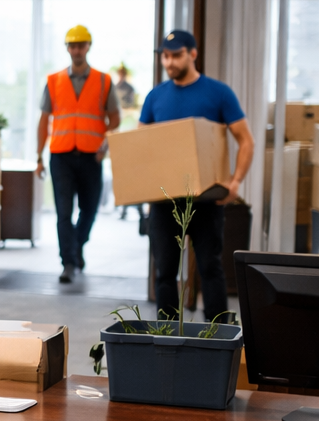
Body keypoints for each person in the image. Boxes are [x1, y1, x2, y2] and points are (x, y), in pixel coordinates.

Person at [139, 29, 255, 323]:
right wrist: (143, 190)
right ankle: (167, 334)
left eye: (176, 55)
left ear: (193, 54)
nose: (169, 62)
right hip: (165, 201)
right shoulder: (155, 97)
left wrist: (235, 181)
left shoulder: (218, 93)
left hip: (207, 199)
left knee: (210, 268)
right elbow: (140, 148)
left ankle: (217, 336)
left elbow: (246, 140)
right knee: (164, 272)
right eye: (165, 56)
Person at [35, 24, 120, 284]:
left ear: (88, 47)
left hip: (90, 156)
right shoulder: (53, 81)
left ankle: (76, 244)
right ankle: (68, 263)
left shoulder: (104, 81)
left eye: (81, 45)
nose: (76, 50)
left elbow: (115, 120)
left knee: (90, 209)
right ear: (67, 48)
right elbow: (43, 121)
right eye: (72, 45)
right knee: (63, 212)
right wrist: (38, 157)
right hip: (60, 155)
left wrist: (103, 146)